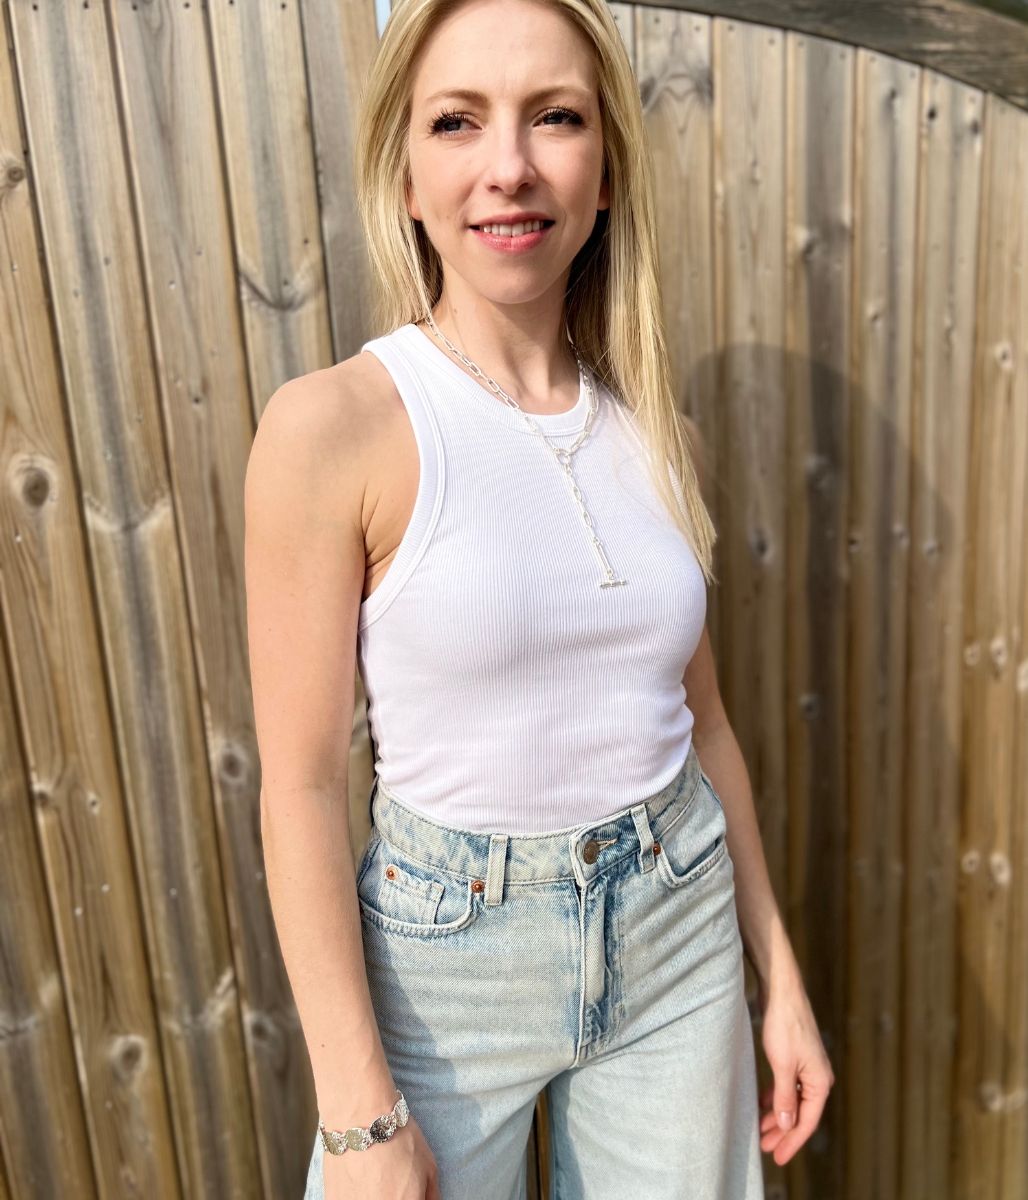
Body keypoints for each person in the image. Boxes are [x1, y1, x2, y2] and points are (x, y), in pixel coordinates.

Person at [244, 0, 834, 1196]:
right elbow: (302, 781)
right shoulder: (336, 428)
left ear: (604, 164)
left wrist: (780, 981)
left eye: (553, 117)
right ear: (405, 176)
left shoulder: (650, 429)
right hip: (445, 966)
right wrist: (360, 1121)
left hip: (677, 926)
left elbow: (700, 722)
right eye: (457, 121)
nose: (507, 167)